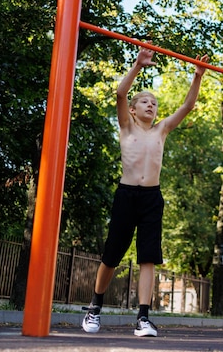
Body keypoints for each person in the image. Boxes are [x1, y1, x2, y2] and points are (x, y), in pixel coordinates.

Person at [81, 46, 209, 337]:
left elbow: (187, 106)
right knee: (112, 255)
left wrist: (197, 77)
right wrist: (138, 64)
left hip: (152, 198)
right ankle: (94, 308)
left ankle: (143, 318)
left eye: (154, 103)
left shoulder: (161, 130)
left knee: (148, 256)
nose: (151, 105)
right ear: (134, 109)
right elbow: (120, 94)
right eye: (145, 102)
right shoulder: (127, 127)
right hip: (126, 195)